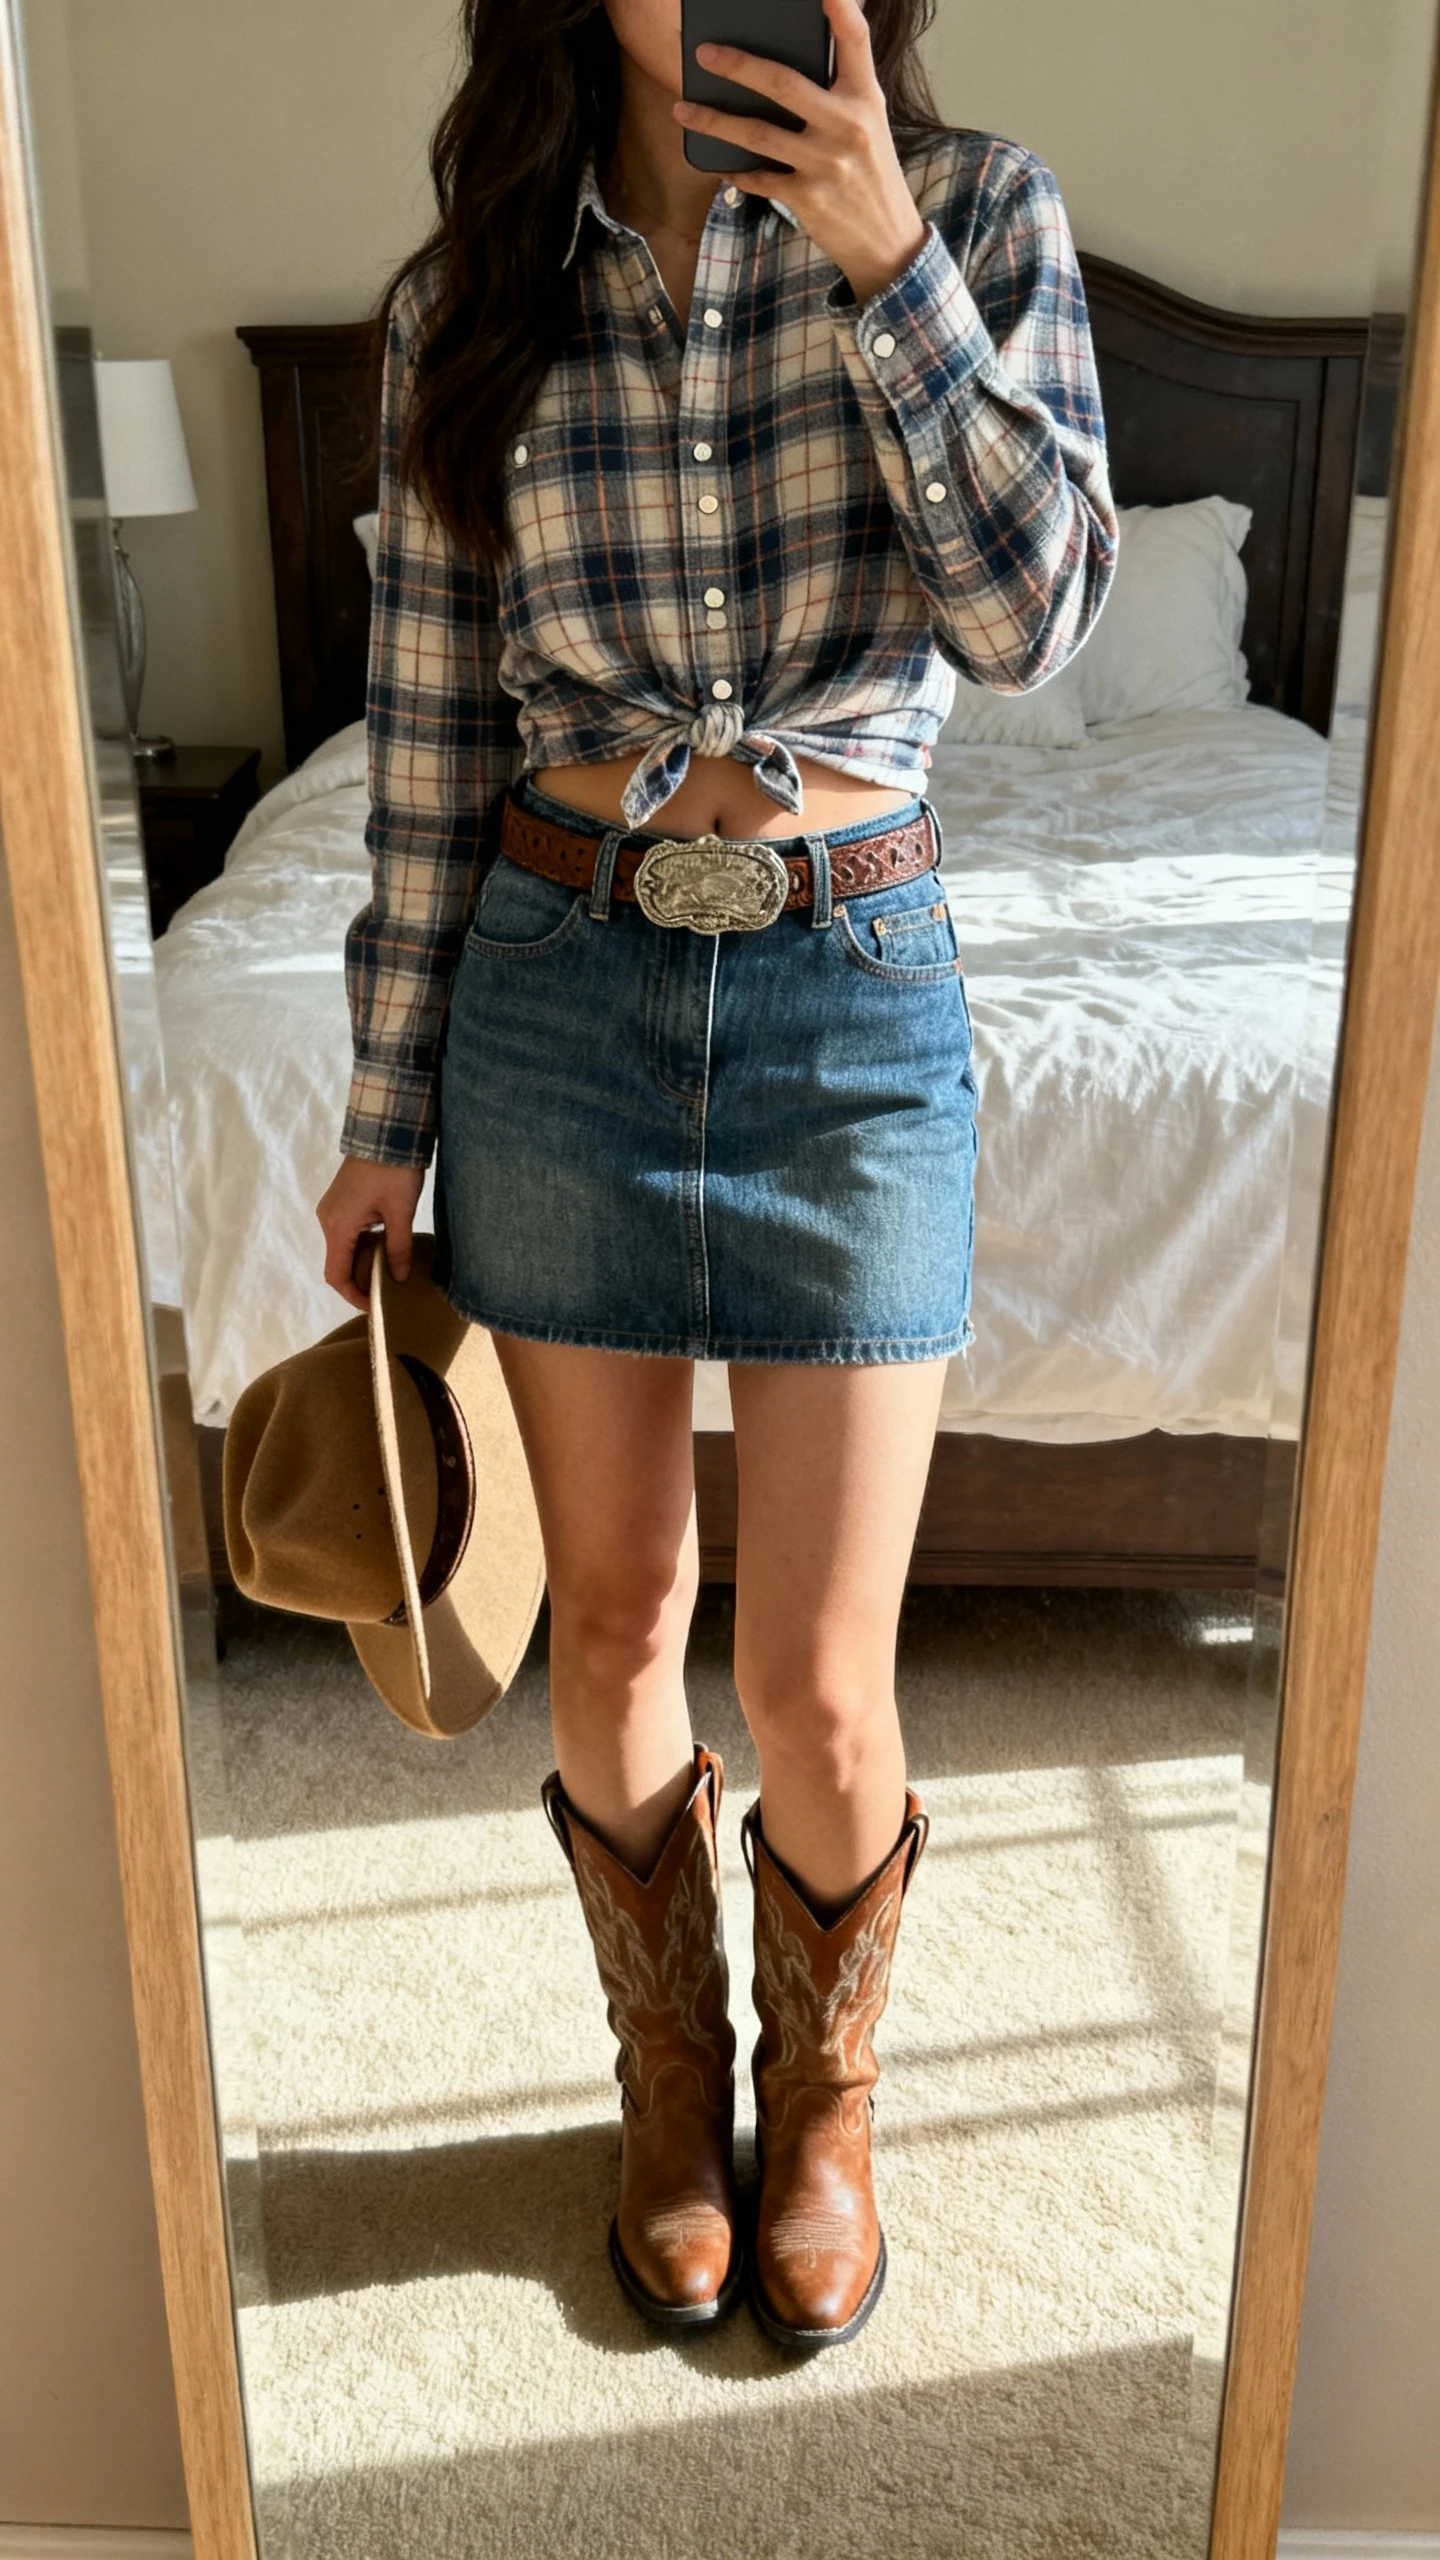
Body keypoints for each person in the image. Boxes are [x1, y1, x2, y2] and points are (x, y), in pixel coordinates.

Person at [317, 0, 1115, 2350]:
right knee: (612, 1616)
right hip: (558, 980)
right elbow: (432, 722)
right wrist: (386, 1109)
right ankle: (670, 2083)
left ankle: (829, 2103)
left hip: (852, 996)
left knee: (824, 1679)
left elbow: (1038, 617)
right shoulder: (470, 297)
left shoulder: (980, 214)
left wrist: (886, 263)